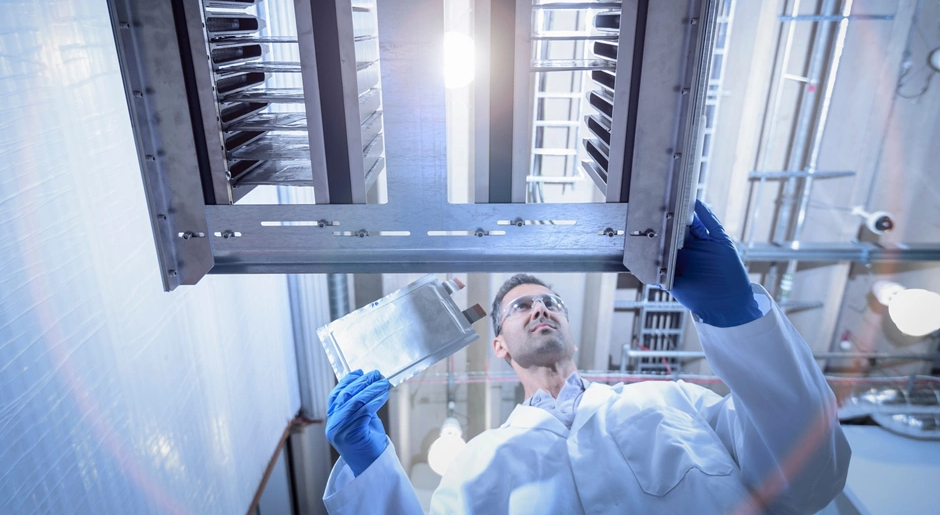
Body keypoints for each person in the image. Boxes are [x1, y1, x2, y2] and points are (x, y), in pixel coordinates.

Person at [322, 201, 851, 514]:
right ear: (499, 344)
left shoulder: (673, 402)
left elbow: (810, 480)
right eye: (520, 306)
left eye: (550, 302)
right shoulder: (476, 463)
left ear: (569, 330)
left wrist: (740, 319)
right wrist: (373, 471)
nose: (540, 309)